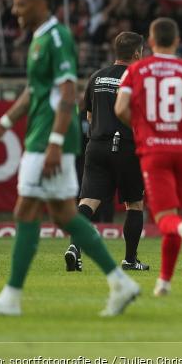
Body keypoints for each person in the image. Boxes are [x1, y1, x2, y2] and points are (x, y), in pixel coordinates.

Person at [0, 0, 139, 317]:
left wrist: (57, 143)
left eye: (21, 3)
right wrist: (1, 126)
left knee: (27, 211)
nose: (15, 9)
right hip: (41, 135)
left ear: (42, 3)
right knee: (62, 214)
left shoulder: (57, 37)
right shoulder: (38, 39)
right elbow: (34, 91)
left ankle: (12, 298)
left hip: (49, 138)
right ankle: (121, 282)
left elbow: (67, 91)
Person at [114, 18, 182, 296]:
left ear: (151, 40)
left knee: (166, 218)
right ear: (177, 40)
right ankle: (164, 282)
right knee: (175, 212)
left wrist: (143, 127)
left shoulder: (137, 70)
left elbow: (120, 108)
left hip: (155, 149)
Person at [65, 32, 149, 273]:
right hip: (126, 146)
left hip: (96, 145)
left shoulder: (97, 77)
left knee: (88, 201)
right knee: (134, 204)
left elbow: (88, 116)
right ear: (136, 53)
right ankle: (130, 260)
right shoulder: (137, 77)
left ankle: (74, 248)